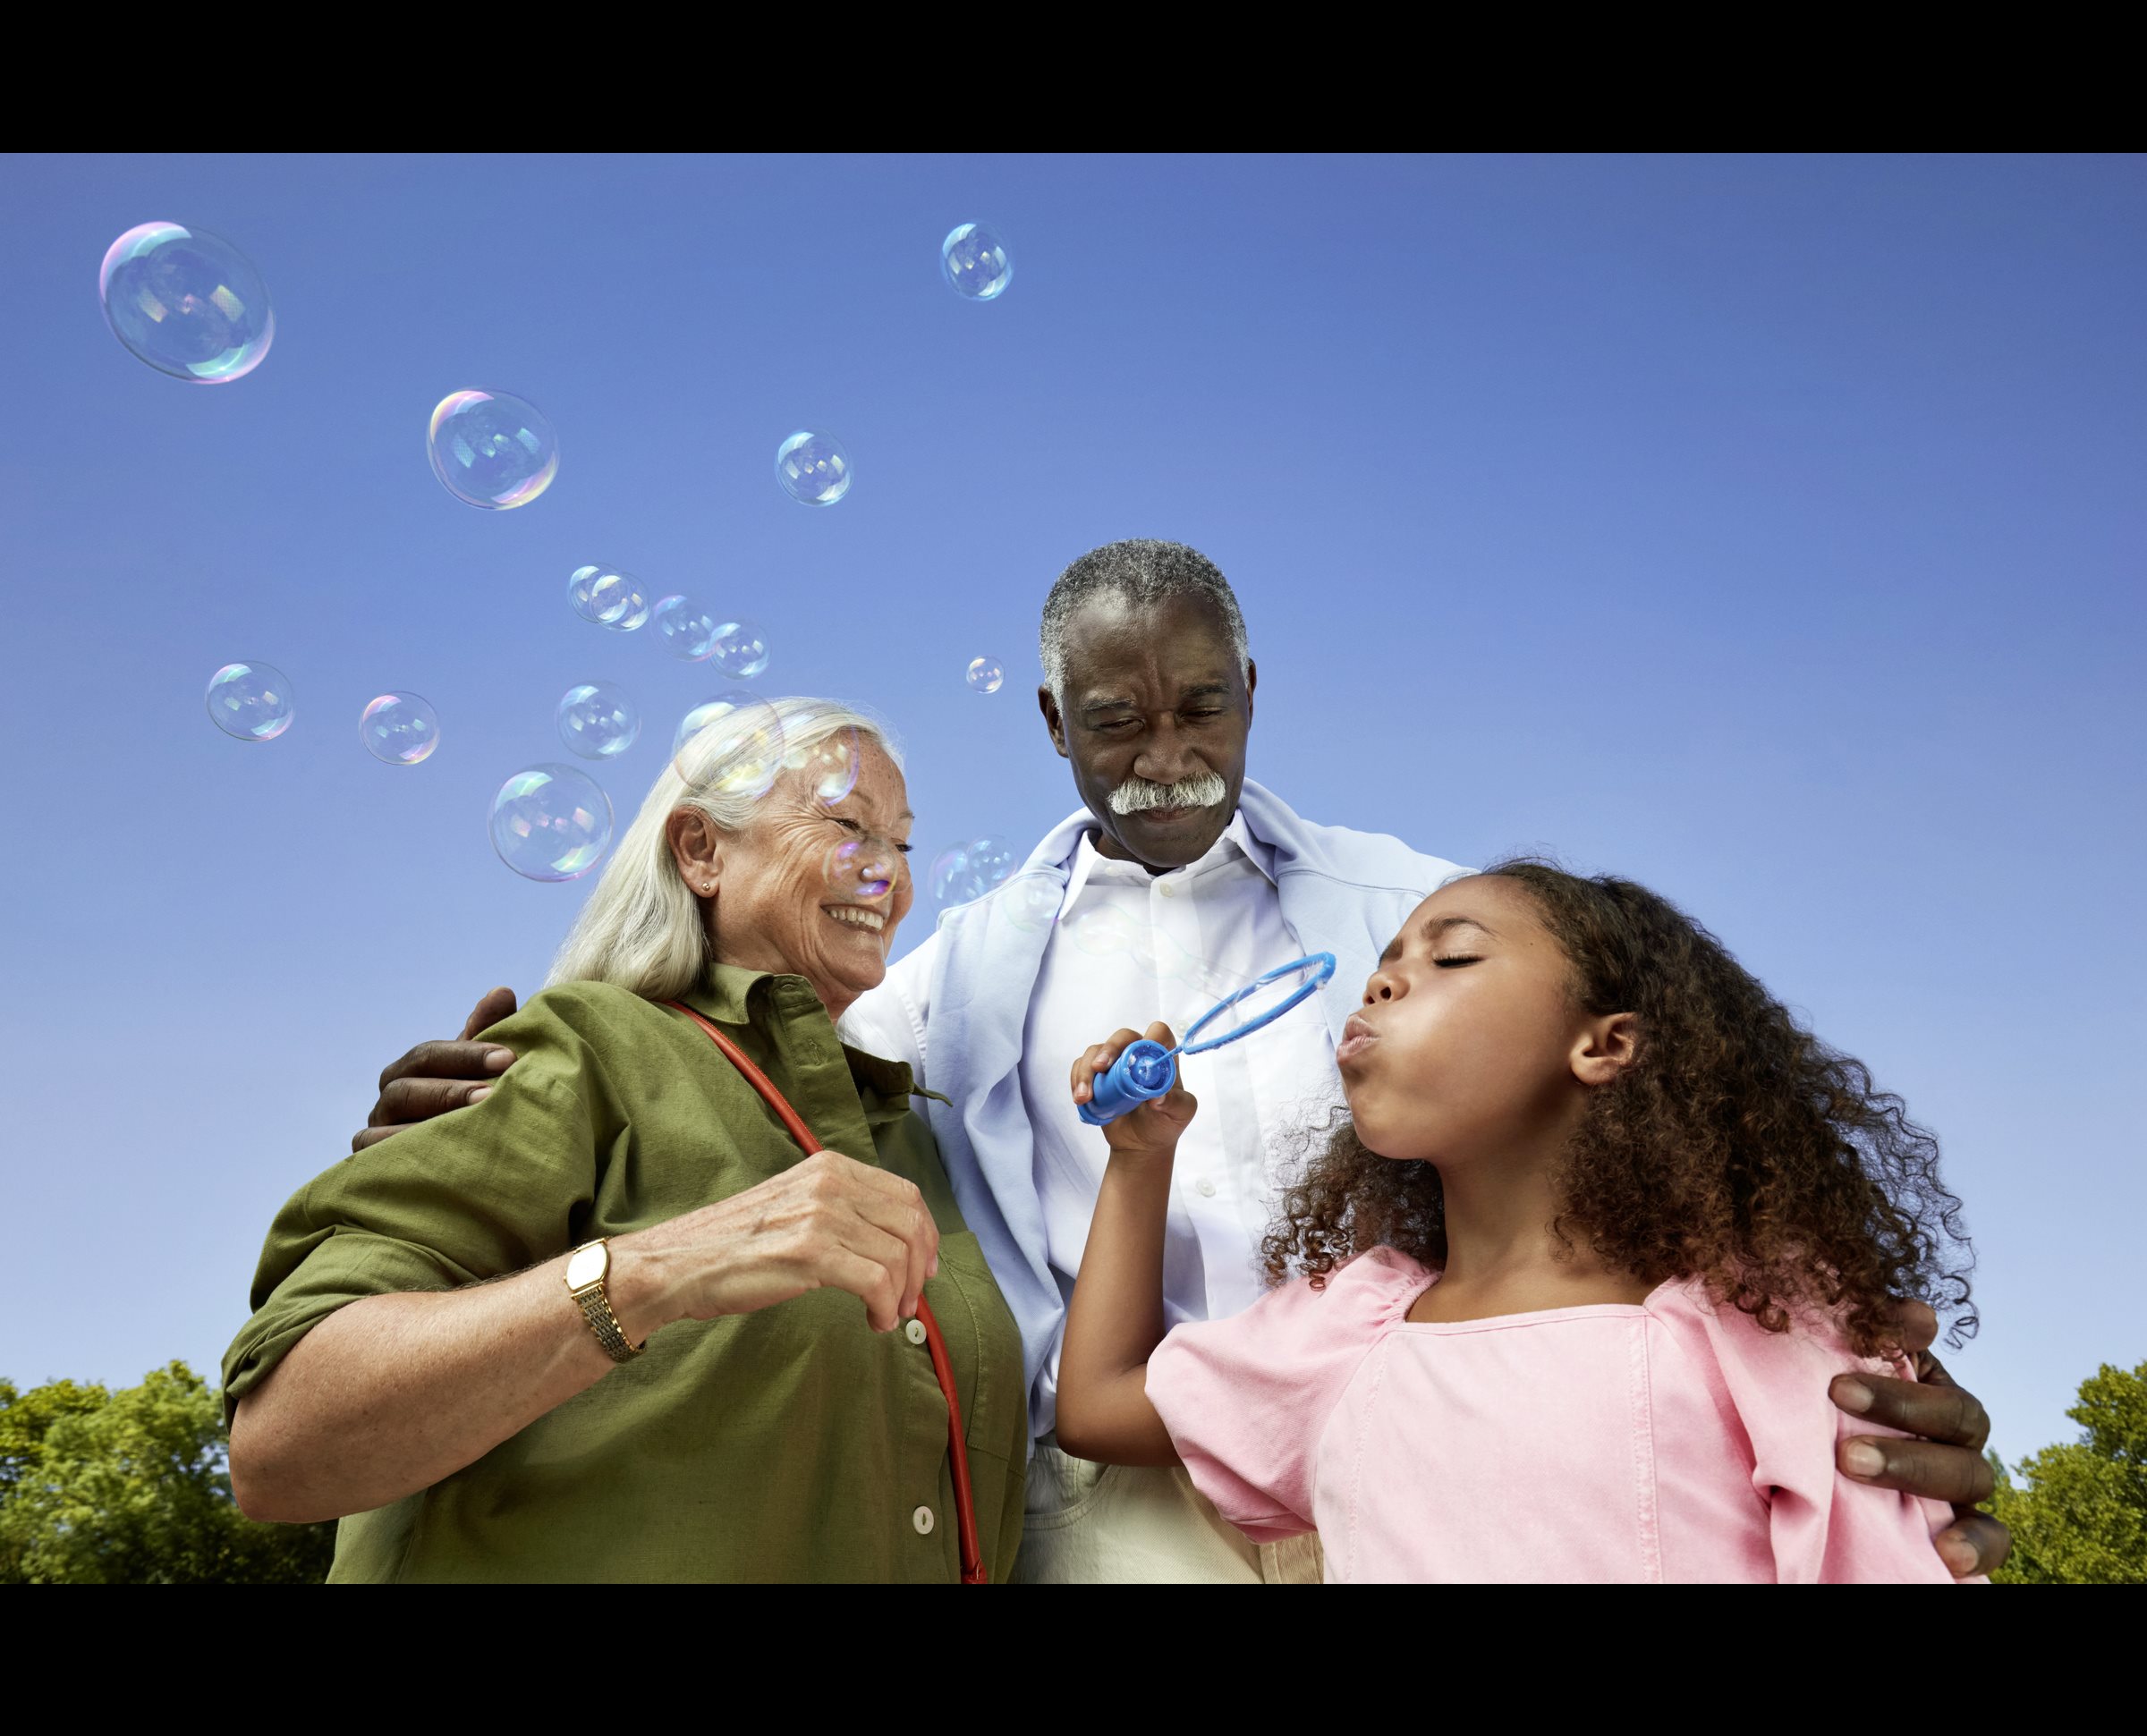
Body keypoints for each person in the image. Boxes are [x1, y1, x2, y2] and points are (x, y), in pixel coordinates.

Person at [357, 543, 2009, 1582]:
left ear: (1253, 692)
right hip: (1130, 1499)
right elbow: (744, 1084)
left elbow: (1627, 1167)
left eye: (1202, 709)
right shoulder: (957, 970)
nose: (1166, 757)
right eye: (1114, 722)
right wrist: (518, 1115)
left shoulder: (1410, 907)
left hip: (1449, 1468)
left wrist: (1843, 1404)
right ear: (1051, 724)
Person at [225, 699, 1026, 1582]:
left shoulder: (914, 1134)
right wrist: (657, 1269)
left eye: (904, 845)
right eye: (847, 826)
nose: (889, 877)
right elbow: (282, 1443)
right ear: (700, 850)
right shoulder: (578, 1050)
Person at [1055, 863, 1983, 1582]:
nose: (1381, 986)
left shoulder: (1761, 1319)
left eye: (1449, 958)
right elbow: (1095, 1404)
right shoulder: (1348, 1332)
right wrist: (1141, 1160)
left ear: (1604, 1044)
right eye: (1384, 967)